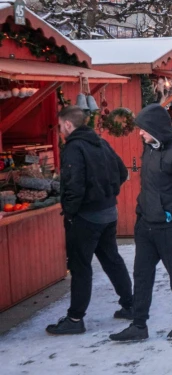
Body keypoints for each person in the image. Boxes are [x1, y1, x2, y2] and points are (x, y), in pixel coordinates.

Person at [110, 104, 172, 343]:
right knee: (141, 276)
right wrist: (140, 214)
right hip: (146, 226)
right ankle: (139, 325)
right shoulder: (148, 148)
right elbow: (148, 186)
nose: (139, 133)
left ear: (156, 128)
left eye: (143, 129)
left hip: (171, 230)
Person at [46, 107, 133, 336]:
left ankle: (75, 318)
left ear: (67, 125)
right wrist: (108, 192)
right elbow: (122, 172)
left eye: (59, 125)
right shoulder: (100, 143)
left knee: (80, 267)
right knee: (111, 259)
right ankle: (130, 304)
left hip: (86, 217)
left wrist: (71, 212)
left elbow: (74, 185)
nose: (59, 130)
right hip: (108, 213)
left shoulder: (74, 148)